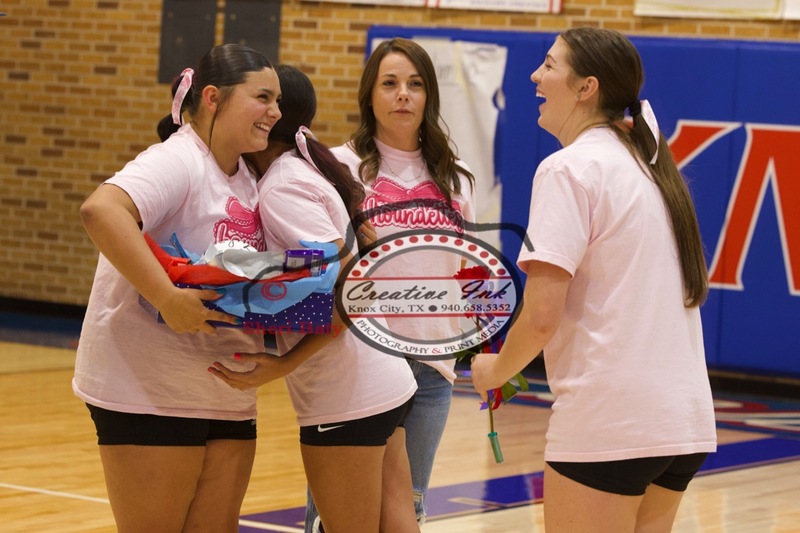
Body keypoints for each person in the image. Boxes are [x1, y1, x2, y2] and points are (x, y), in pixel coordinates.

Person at [470, 27, 717, 532]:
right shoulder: (647, 166)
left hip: (612, 424)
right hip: (684, 424)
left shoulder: (568, 168)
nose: (536, 75)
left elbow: (540, 319)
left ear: (587, 87)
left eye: (550, 65)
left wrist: (494, 372)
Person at [73, 44, 281, 532]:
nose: (275, 112)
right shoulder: (178, 159)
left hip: (225, 389)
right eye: (263, 97)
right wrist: (167, 299)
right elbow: (100, 211)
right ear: (213, 97)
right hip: (148, 389)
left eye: (277, 101)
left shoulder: (248, 175)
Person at [210, 64, 420, 533]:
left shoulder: (283, 186)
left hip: (349, 393)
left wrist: (283, 364)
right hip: (382, 382)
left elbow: (349, 290)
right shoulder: (301, 172)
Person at [317, 37, 477, 528]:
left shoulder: (456, 178)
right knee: (342, 515)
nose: (402, 94)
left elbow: (468, 269)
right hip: (361, 360)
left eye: (415, 84)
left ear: (429, 96)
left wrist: (484, 340)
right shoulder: (338, 169)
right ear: (370, 94)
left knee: (409, 510)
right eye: (389, 83)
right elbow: (322, 264)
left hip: (432, 366)